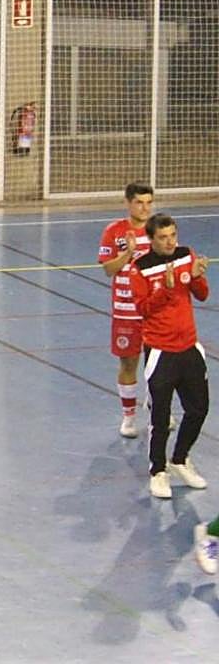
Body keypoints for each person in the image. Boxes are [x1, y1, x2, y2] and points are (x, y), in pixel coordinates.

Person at [131, 213, 210, 499]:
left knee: (198, 410)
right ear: (151, 239)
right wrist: (165, 288)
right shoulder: (139, 269)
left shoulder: (185, 255)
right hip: (160, 352)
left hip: (189, 348)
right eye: (163, 237)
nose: (169, 241)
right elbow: (143, 309)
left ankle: (180, 459)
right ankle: (158, 472)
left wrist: (199, 278)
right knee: (161, 418)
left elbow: (201, 295)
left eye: (172, 235)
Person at [98, 183, 155, 438]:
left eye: (148, 202)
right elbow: (108, 269)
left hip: (154, 311)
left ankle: (158, 411)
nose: (145, 208)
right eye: (139, 202)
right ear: (128, 203)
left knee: (159, 365)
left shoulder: (158, 230)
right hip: (125, 310)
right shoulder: (115, 231)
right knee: (129, 362)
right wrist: (128, 255)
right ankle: (129, 417)